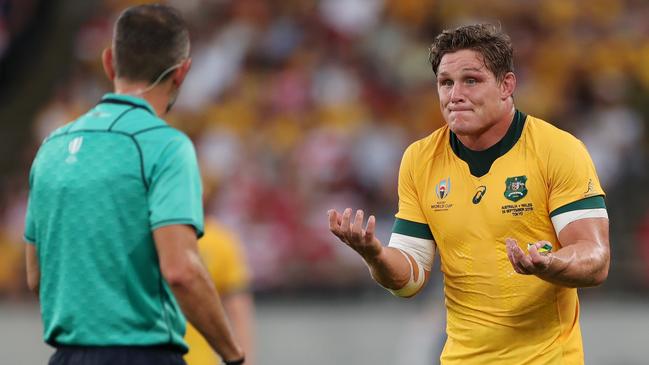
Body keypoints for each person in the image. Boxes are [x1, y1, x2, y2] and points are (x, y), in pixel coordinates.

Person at [328, 24, 610, 364]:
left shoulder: (557, 150)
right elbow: (409, 280)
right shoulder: (420, 159)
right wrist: (374, 254)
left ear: (506, 85)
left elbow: (595, 259)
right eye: (446, 83)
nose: (455, 94)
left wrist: (549, 264)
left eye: (471, 81)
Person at [23, 4, 244, 365]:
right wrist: (234, 355)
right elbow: (182, 271)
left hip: (66, 356)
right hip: (144, 354)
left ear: (110, 62)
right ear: (182, 73)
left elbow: (36, 276)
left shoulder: (51, 147)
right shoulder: (167, 148)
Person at [184, 218, 256, 365]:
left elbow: (239, 312)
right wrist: (237, 357)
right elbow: (239, 313)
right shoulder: (221, 240)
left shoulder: (221, 241)